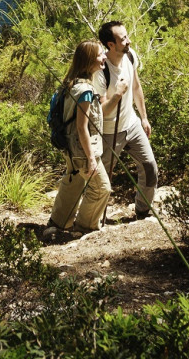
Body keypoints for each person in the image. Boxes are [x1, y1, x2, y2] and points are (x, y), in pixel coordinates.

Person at [95, 20, 158, 221]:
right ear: (110, 44)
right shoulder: (101, 70)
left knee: (149, 168)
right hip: (109, 133)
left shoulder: (130, 56)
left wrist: (144, 117)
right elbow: (102, 112)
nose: (128, 41)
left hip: (131, 125)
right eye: (123, 39)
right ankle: (92, 219)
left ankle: (142, 211)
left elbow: (136, 86)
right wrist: (117, 95)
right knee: (100, 179)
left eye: (126, 36)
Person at [47, 40, 111, 233]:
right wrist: (91, 158)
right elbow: (82, 128)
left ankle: (58, 223)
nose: (104, 57)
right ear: (89, 59)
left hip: (69, 147)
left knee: (73, 181)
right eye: (100, 54)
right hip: (82, 151)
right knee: (101, 188)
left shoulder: (69, 85)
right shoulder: (85, 92)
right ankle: (84, 227)